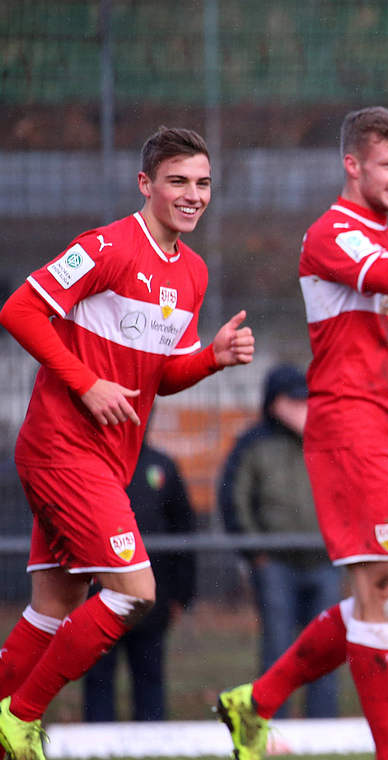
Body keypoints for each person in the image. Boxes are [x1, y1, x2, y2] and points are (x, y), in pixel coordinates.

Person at [216, 106, 388, 760]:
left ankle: (252, 705)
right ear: (352, 165)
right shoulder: (331, 235)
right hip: (348, 430)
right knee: (381, 593)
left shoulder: (383, 237)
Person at [0, 126, 254, 760]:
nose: (193, 196)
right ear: (146, 184)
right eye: (178, 182)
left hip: (107, 462)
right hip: (62, 448)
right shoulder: (106, 247)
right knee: (134, 591)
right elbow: (19, 310)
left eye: (202, 183)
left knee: (54, 606)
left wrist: (212, 359)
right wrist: (85, 384)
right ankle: (20, 717)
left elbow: (158, 375)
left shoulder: (190, 273)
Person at [219, 363, 341, 719]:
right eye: (293, 400)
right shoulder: (252, 445)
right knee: (278, 649)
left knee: (328, 649)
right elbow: (235, 499)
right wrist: (256, 552)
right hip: (275, 564)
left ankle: (325, 729)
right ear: (274, 403)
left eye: (306, 400)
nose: (302, 407)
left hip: (324, 561)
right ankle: (274, 723)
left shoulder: (327, 439)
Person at [83, 439, 196, 722]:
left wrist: (181, 594)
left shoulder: (162, 466)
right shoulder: (87, 465)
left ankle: (151, 739)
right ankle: (97, 741)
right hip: (98, 595)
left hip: (152, 600)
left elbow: (183, 528)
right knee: (98, 675)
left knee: (149, 673)